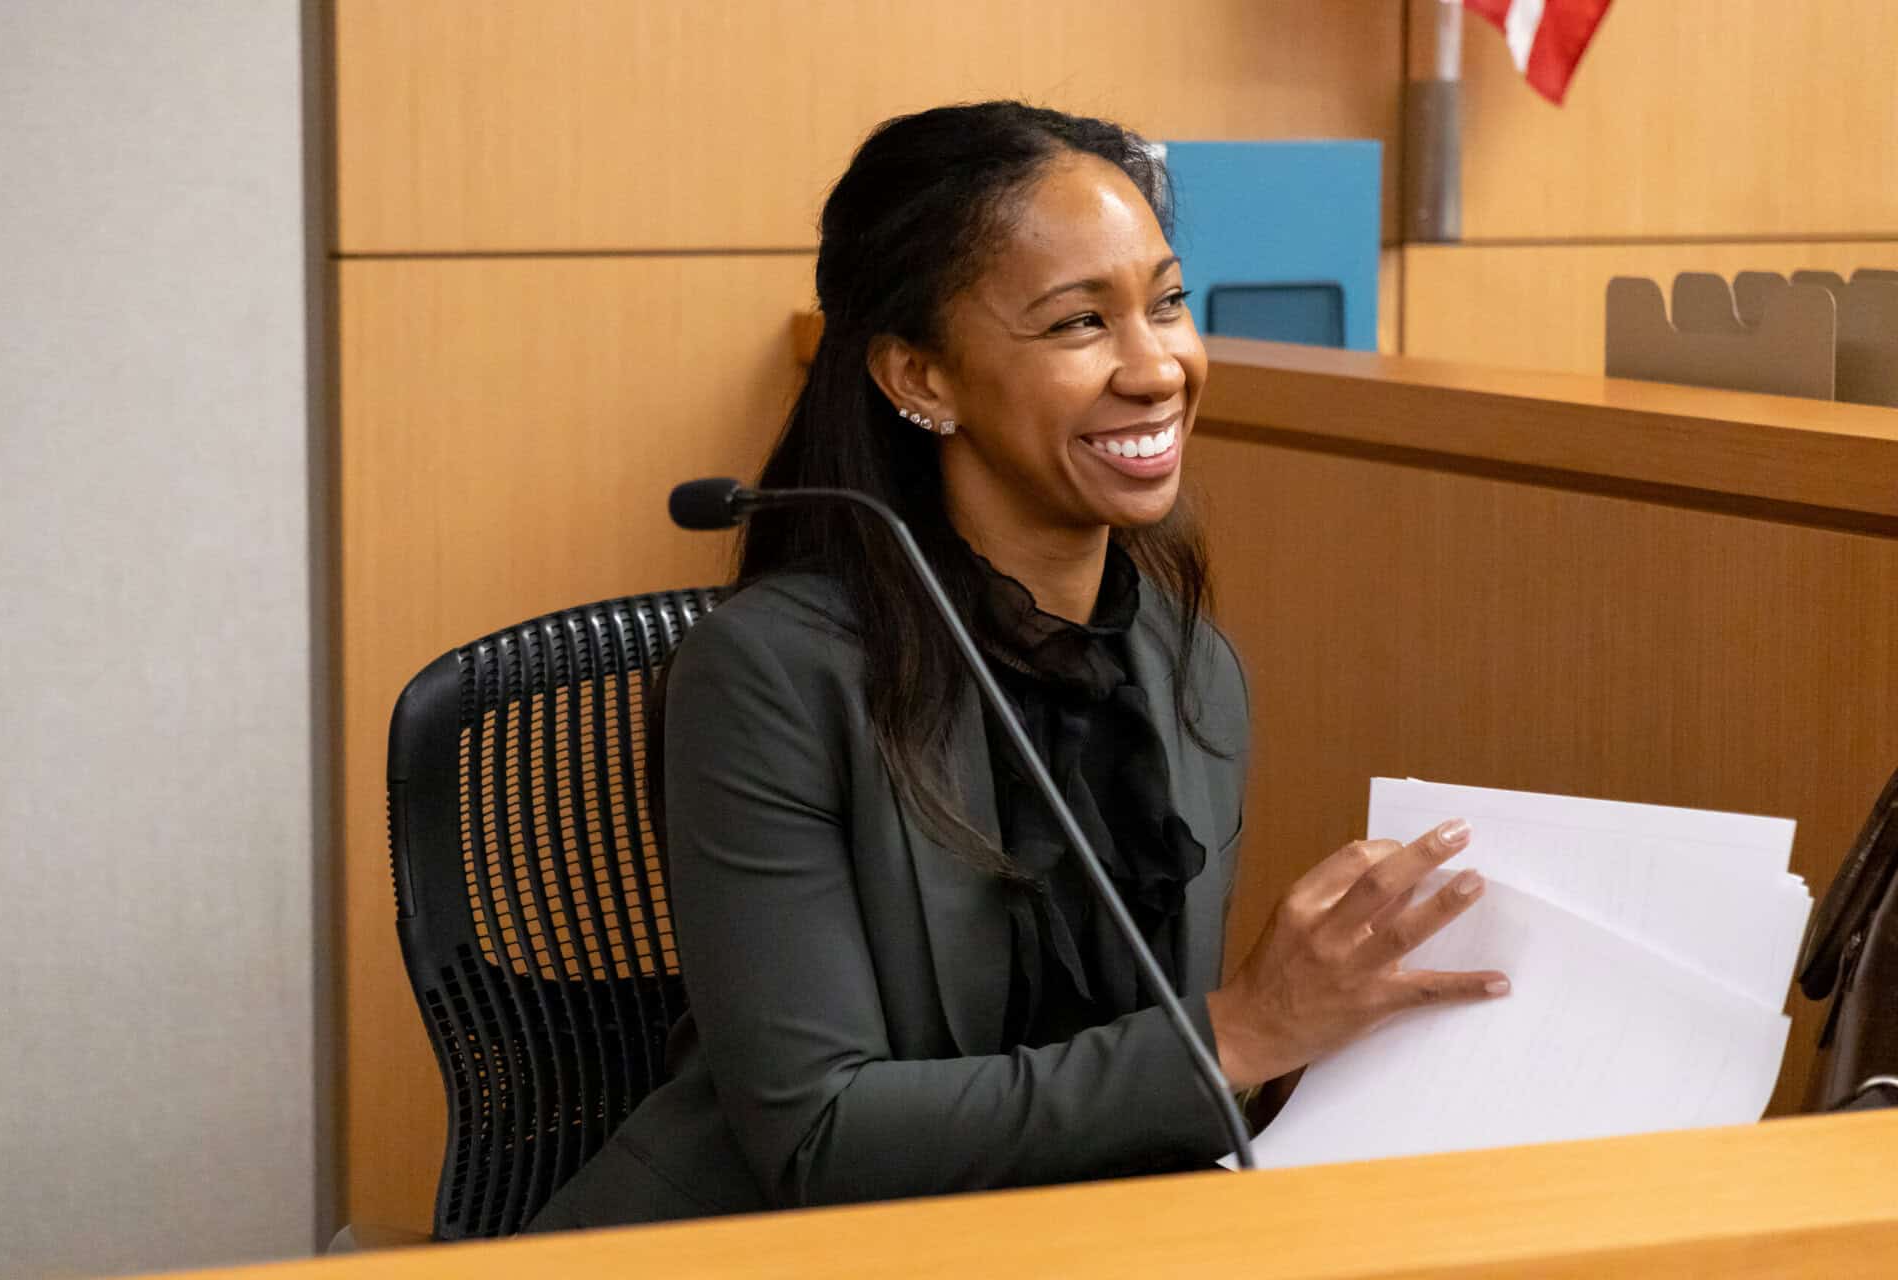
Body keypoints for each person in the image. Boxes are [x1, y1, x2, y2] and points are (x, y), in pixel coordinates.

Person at [528, 101, 1508, 1230]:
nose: (1157, 368)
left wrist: (1327, 1028)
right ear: (921, 377)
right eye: (1080, 323)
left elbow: (1144, 1073)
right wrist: (1240, 1029)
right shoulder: (769, 673)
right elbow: (821, 1139)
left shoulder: (1189, 669)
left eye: (1169, 303)